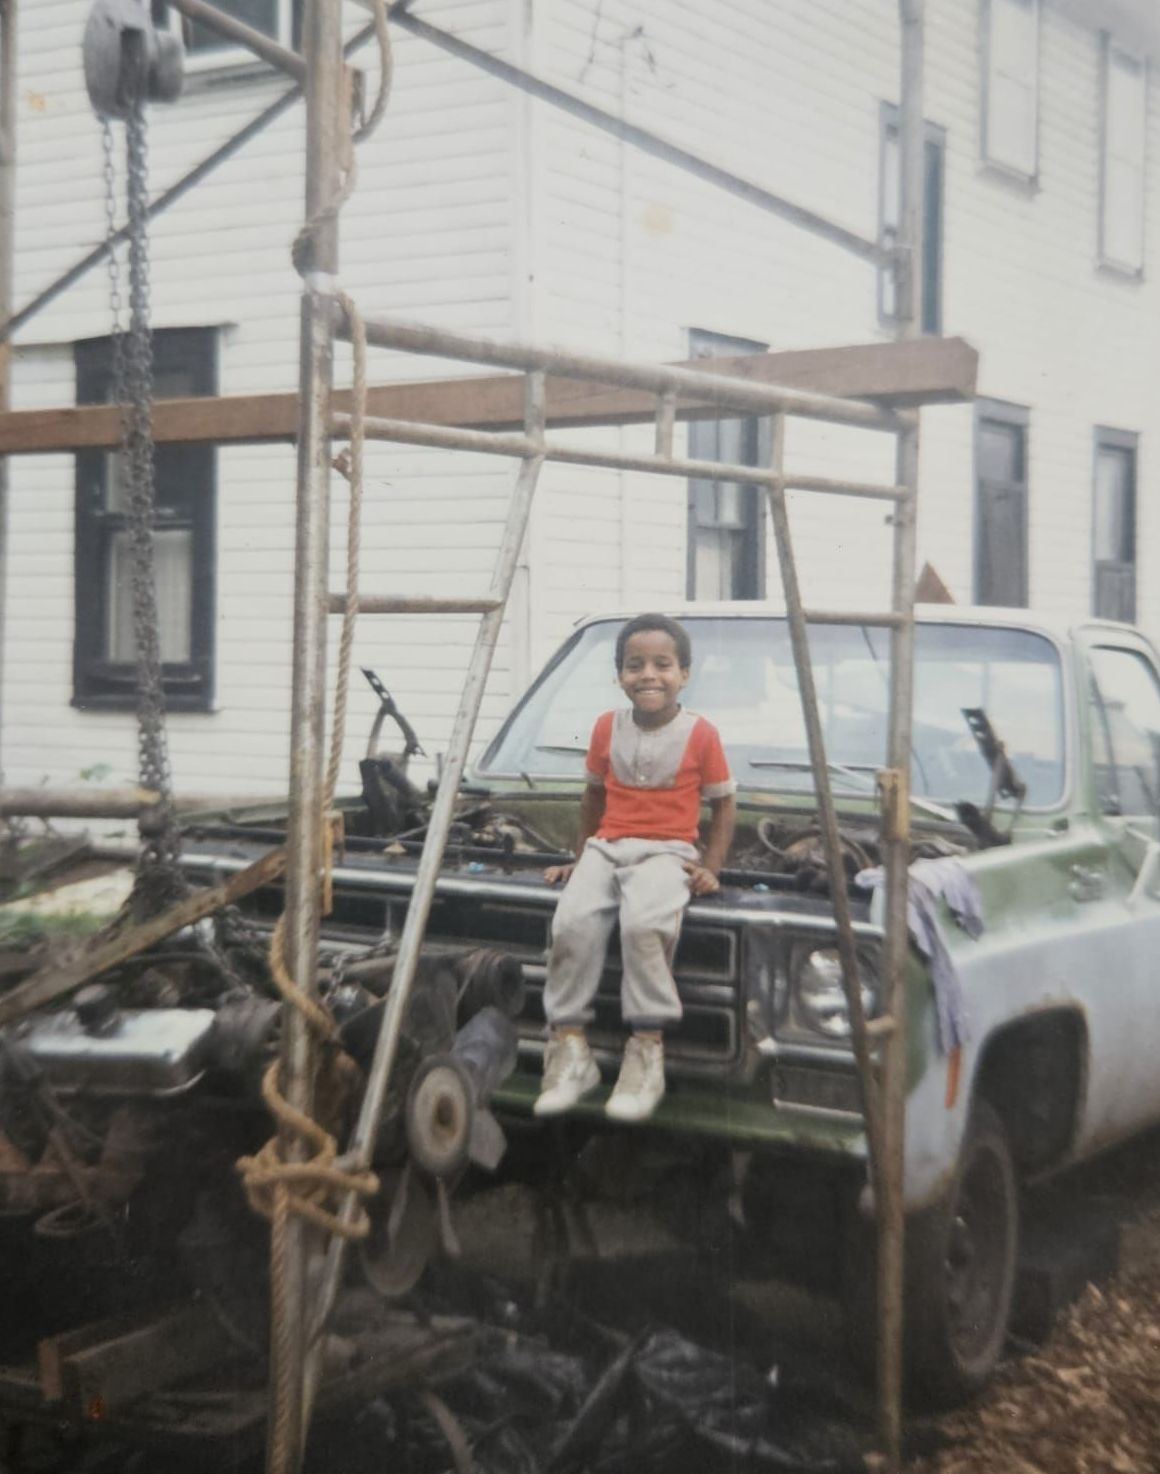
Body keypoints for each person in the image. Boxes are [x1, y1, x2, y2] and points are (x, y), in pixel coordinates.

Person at [534, 613, 737, 1123]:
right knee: (572, 922)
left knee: (645, 924)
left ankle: (646, 1050)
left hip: (669, 852)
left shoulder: (702, 734)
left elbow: (725, 805)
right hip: (607, 846)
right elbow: (593, 797)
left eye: (662, 664)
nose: (648, 675)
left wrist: (711, 866)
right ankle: (571, 1049)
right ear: (620, 674)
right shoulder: (606, 726)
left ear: (684, 674)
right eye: (634, 665)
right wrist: (579, 861)